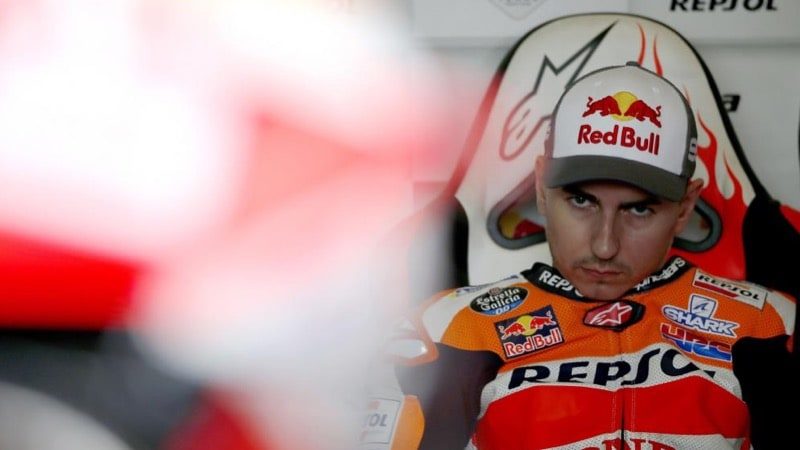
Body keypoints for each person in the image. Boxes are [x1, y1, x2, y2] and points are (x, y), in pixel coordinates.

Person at [361, 62, 797, 450]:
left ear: (685, 206)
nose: (605, 246)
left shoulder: (770, 325)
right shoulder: (450, 329)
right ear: (541, 187)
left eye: (638, 210)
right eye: (582, 201)